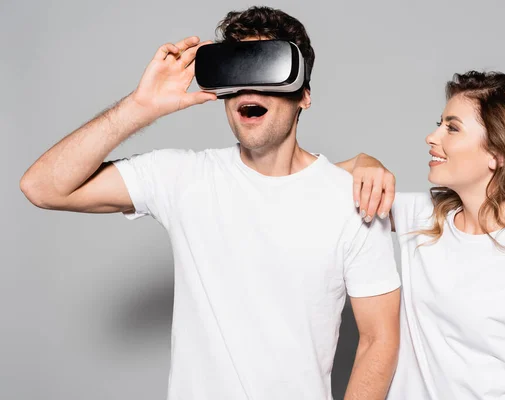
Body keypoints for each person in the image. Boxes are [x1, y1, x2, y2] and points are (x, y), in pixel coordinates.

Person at [20, 6, 401, 400]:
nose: (248, 90)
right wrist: (140, 107)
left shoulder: (356, 198)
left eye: (265, 68)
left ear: (303, 94)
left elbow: (379, 339)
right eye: (236, 73)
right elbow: (43, 187)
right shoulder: (182, 177)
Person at [342, 71, 505, 399]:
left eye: (452, 128)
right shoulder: (425, 218)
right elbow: (313, 185)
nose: (432, 137)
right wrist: (365, 161)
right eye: (439, 123)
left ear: (496, 154)